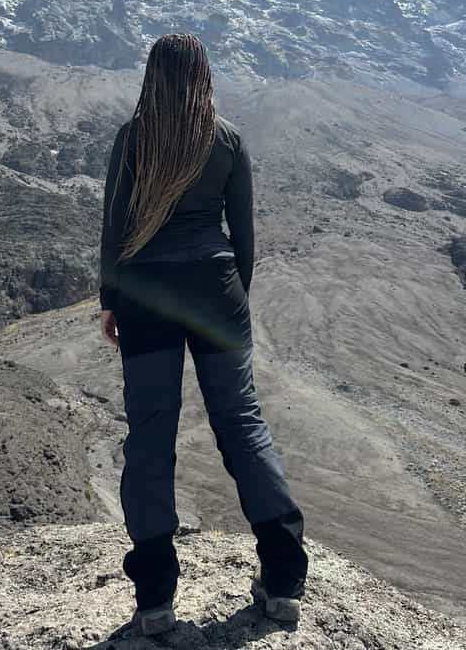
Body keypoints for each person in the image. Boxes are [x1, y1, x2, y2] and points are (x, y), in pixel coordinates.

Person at [99, 32, 308, 636]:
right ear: (204, 75)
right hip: (217, 291)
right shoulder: (227, 137)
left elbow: (115, 227)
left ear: (152, 76)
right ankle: (284, 581)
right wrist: (232, 298)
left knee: (151, 433)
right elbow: (243, 236)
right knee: (241, 424)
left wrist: (113, 299)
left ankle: (156, 598)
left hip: (147, 293)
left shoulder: (134, 137)